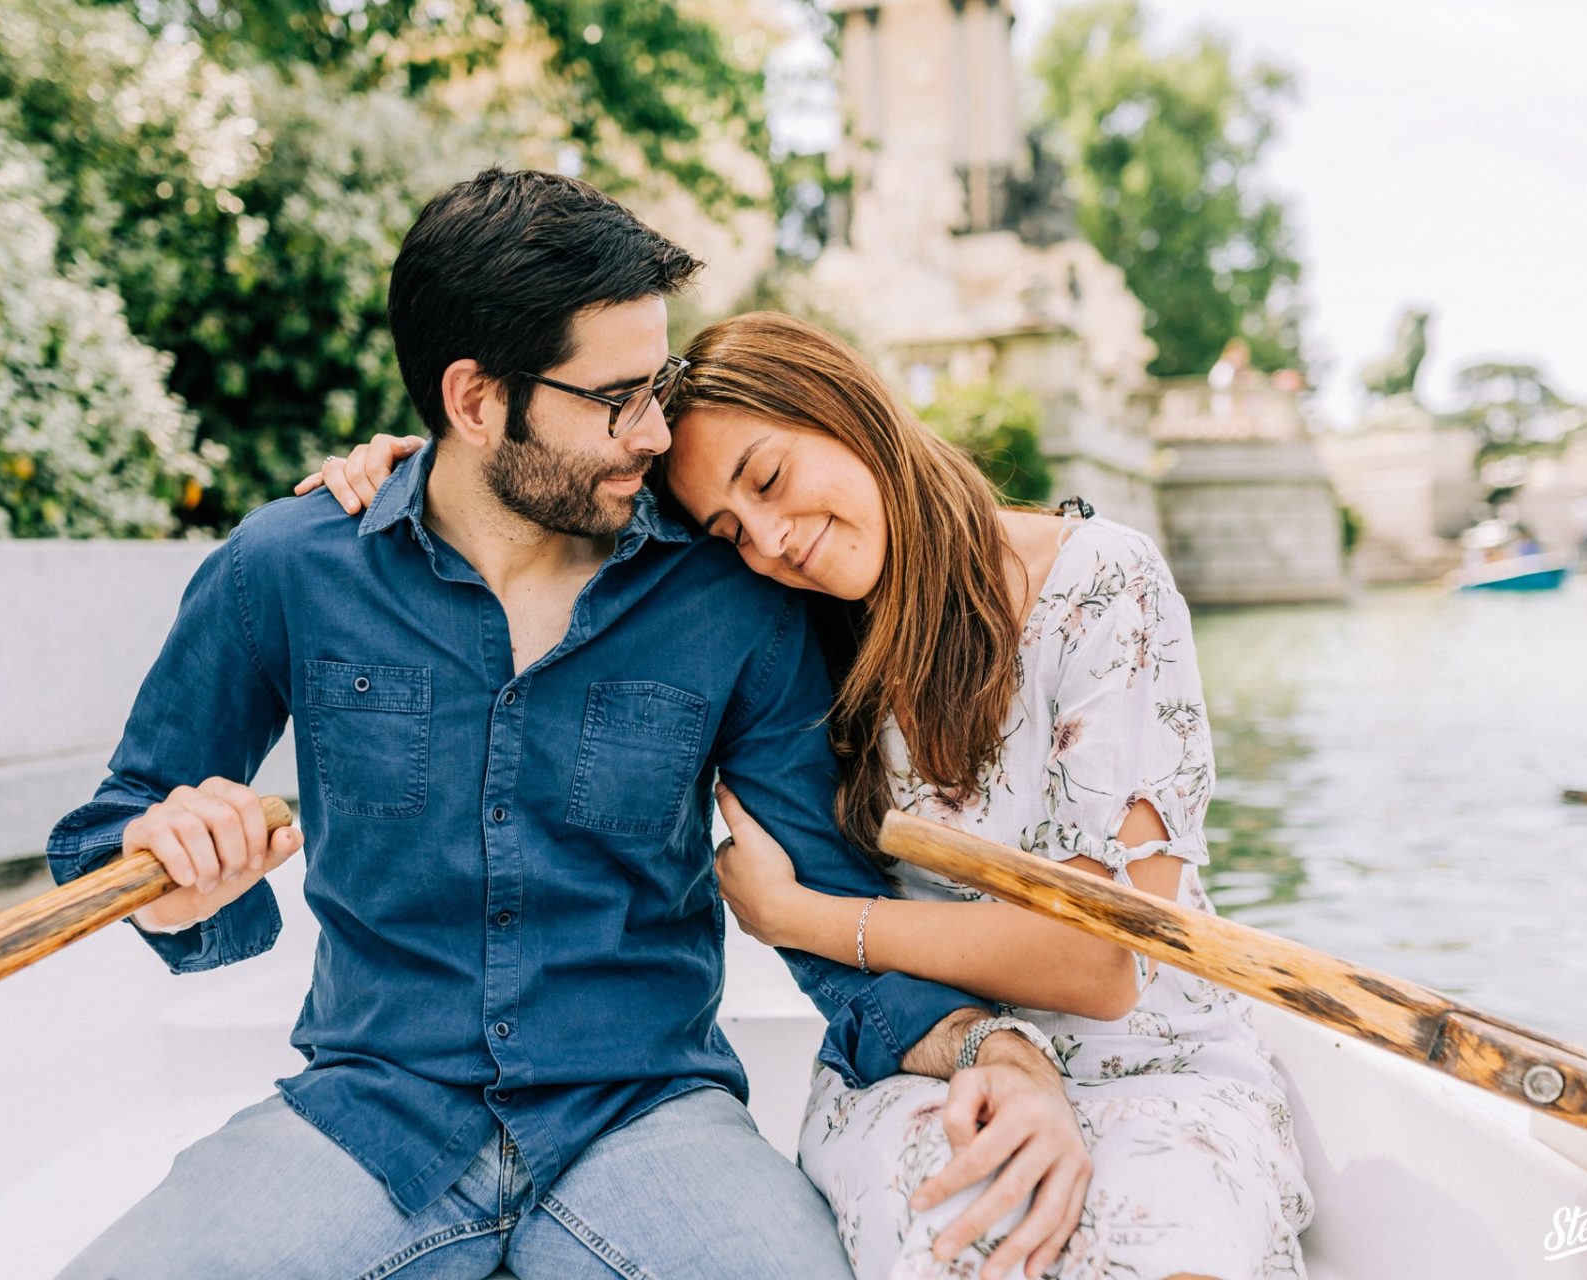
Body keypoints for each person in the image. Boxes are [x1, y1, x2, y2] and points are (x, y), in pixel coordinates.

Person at [46, 171, 1088, 1280]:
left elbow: (830, 901)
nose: (653, 431)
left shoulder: (730, 594)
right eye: (615, 398)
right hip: (371, 1117)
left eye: (661, 384)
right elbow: (108, 832)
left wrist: (998, 1049)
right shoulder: (286, 568)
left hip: (647, 1119)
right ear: (478, 400)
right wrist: (176, 877)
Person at [306, 311, 1315, 1279]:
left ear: (844, 404)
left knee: (1171, 1251)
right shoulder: (796, 638)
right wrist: (433, 472)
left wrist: (808, 916)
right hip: (924, 1055)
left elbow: (1100, 960)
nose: (775, 540)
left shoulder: (1106, 586)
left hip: (1148, 1058)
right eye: (731, 529)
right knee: (966, 1233)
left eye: (772, 477)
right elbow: (562, 535)